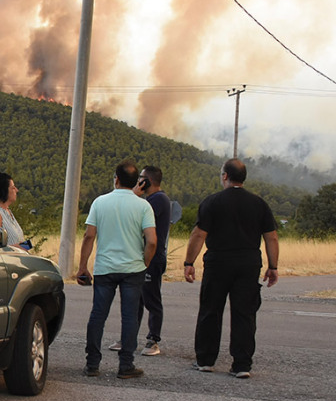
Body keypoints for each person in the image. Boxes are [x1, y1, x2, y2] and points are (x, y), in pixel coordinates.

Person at [183, 158, 278, 379]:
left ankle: (205, 360)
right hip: (248, 263)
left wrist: (189, 262)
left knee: (210, 310)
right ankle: (242, 364)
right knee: (244, 313)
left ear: (225, 176)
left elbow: (199, 234)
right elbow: (271, 237)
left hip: (218, 262)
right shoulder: (259, 203)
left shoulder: (212, 202)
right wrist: (273, 266)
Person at [77, 160, 156, 379]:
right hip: (133, 269)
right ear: (135, 182)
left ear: (117, 179)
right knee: (130, 317)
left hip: (105, 268)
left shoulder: (100, 202)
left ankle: (92, 364)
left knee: (98, 315)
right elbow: (151, 241)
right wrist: (145, 262)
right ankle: (126, 366)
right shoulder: (143, 206)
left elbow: (89, 236)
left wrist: (83, 266)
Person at [109, 165, 171, 356]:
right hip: (139, 257)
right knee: (135, 300)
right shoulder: (150, 200)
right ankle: (128, 338)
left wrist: (133, 195)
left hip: (151, 258)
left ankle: (153, 340)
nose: (137, 181)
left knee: (152, 299)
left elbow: (135, 217)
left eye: (141, 178)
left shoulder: (157, 200)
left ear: (147, 181)